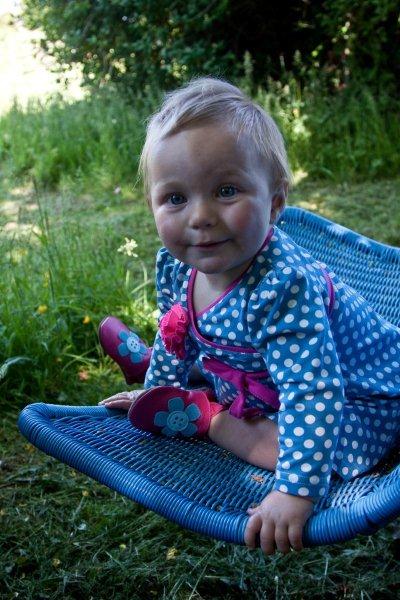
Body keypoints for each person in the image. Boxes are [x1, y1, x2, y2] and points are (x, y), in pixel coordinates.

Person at [98, 76, 400, 555]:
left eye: (225, 190)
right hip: (261, 371)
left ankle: (210, 418)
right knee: (194, 344)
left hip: (356, 396)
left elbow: (314, 392)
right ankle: (156, 374)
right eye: (175, 198)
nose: (200, 216)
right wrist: (154, 386)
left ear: (275, 202)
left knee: (293, 448)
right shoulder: (183, 262)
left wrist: (294, 491)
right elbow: (181, 333)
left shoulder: (282, 289)